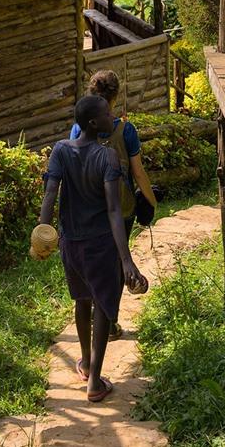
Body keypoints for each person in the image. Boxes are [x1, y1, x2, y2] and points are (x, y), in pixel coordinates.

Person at [38, 93, 145, 403]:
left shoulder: (60, 150)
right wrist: (126, 261)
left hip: (70, 244)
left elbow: (50, 195)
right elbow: (114, 211)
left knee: (82, 301)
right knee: (102, 307)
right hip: (100, 246)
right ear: (92, 123)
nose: (112, 117)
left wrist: (43, 234)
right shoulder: (107, 157)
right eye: (107, 114)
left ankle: (85, 362)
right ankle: (95, 381)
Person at [70, 69, 157, 337]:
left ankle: (99, 318)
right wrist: (152, 200)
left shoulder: (79, 127)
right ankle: (107, 322)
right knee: (118, 262)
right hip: (122, 207)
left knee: (96, 265)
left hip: (89, 207)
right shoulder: (125, 129)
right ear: (116, 98)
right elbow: (138, 172)